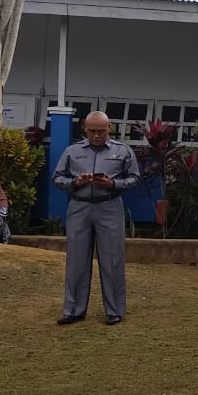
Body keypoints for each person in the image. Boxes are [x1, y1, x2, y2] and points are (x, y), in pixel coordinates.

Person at [52, 111, 141, 325]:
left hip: (109, 206)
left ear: (109, 128)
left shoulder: (123, 151)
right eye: (92, 131)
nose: (96, 136)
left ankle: (114, 311)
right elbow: (57, 178)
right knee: (76, 260)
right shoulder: (72, 151)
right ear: (84, 128)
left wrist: (113, 184)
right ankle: (73, 309)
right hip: (79, 207)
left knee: (112, 261)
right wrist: (76, 182)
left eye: (101, 131)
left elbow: (135, 178)